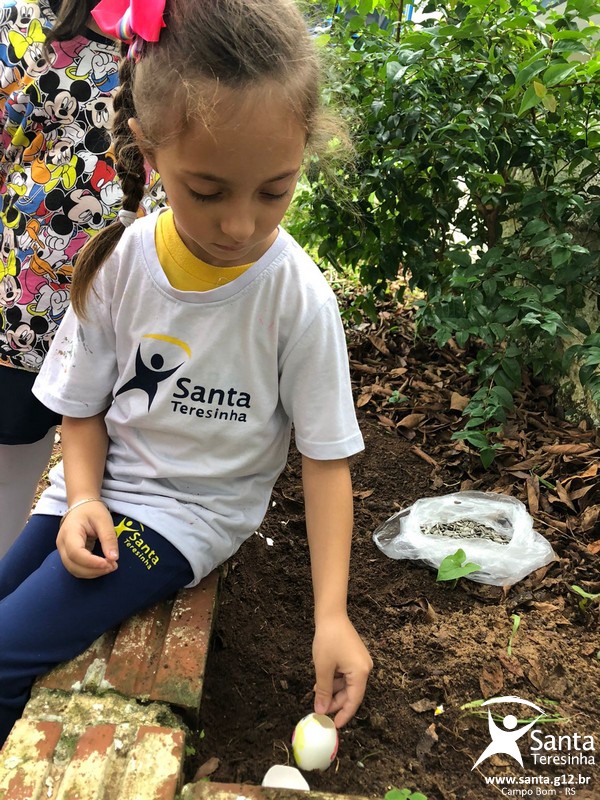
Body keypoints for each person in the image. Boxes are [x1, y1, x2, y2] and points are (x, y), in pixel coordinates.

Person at [0, 0, 373, 747]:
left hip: (179, 517)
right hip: (93, 490)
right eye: (208, 191)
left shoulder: (296, 300)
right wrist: (81, 499)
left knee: (5, 655)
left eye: (275, 190)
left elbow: (326, 460)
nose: (241, 225)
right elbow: (81, 408)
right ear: (147, 145)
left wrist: (331, 616)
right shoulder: (120, 263)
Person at [0, 0, 162, 558]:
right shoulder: (22, 24)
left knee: (100, 462)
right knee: (12, 452)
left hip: (126, 307)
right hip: (23, 305)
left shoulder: (174, 38)